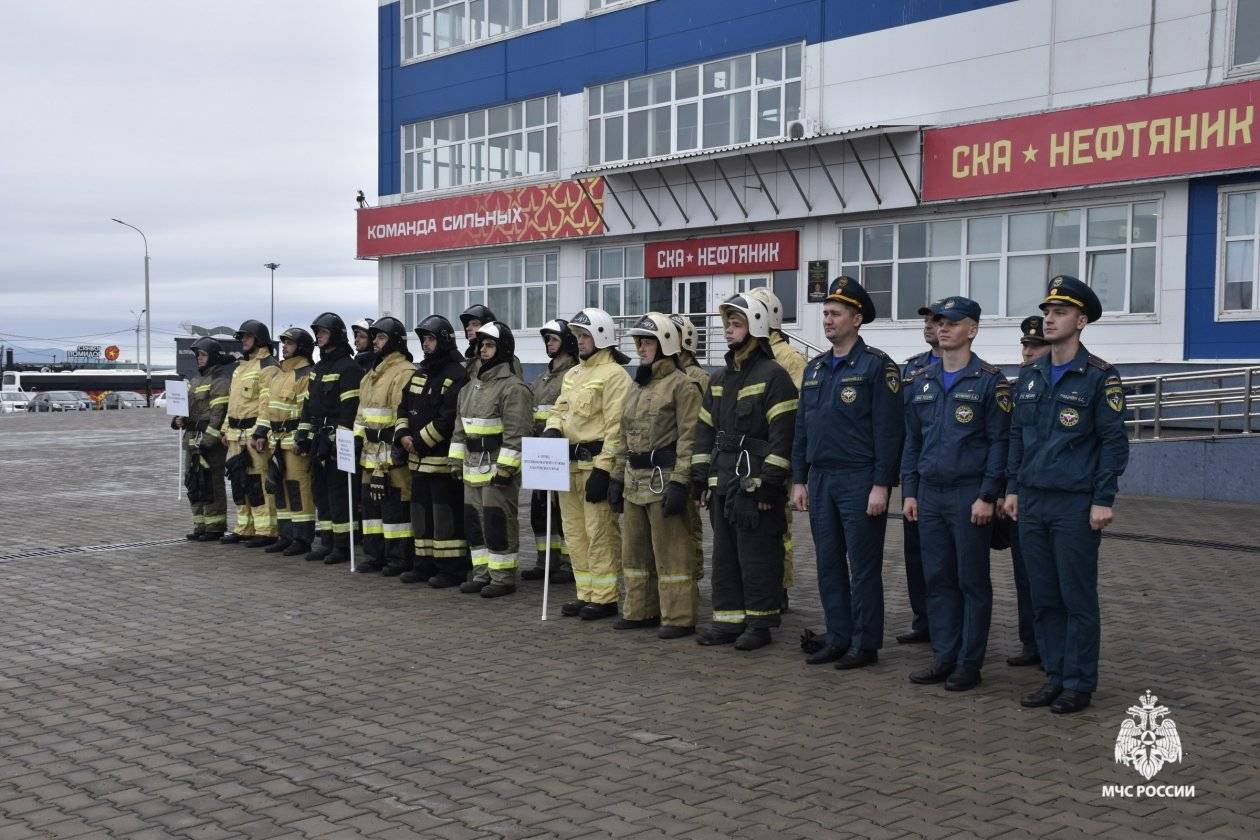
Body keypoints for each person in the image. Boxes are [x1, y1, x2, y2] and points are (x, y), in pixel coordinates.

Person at [1004, 276, 1129, 715]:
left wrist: (1103, 498)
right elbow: (1018, 434)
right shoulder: (1032, 373)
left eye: (1059, 313)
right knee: (1043, 594)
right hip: (1033, 500)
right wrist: (1013, 487)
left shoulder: (1099, 377)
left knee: (1076, 596)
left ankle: (1078, 681)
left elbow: (1113, 443)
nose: (1049, 319)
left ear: (1081, 321)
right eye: (1047, 312)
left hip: (1075, 502)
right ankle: (1054, 676)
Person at [790, 277, 902, 669]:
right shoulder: (817, 368)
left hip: (859, 479)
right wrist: (799, 478)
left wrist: (882, 485)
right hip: (821, 479)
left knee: (864, 565)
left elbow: (889, 432)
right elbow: (803, 427)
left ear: (857, 319)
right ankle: (838, 636)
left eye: (836, 313)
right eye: (824, 313)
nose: (827, 320)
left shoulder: (877, 367)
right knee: (828, 562)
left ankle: (865, 643)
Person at [901, 297, 1010, 692]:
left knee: (971, 580)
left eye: (951, 322)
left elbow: (1000, 443)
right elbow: (912, 442)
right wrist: (910, 492)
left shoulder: (989, 381)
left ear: (972, 329)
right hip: (929, 495)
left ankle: (969, 662)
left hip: (968, 495)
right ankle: (944, 656)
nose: (942, 327)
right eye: (938, 321)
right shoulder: (920, 381)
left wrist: (988, 494)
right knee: (938, 578)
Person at [692, 294, 798, 651]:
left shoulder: (775, 376)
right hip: (724, 481)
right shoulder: (720, 377)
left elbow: (783, 436)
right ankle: (728, 620)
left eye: (736, 324)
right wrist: (701, 478)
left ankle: (760, 623)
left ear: (754, 327)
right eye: (727, 325)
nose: (728, 331)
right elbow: (705, 431)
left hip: (754, 484)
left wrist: (771, 486)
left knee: (757, 556)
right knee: (725, 555)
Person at [614, 313, 702, 639]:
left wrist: (681, 482)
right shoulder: (637, 385)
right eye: (638, 341)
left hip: (664, 479)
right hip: (634, 480)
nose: (640, 347)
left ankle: (678, 617)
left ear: (666, 342)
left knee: (673, 553)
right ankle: (640, 611)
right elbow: (623, 433)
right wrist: (615, 477)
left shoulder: (684, 386)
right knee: (634, 553)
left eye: (647, 341)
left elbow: (690, 439)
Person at [543, 308, 632, 621]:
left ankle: (605, 598)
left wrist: (604, 470)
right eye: (578, 336)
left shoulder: (615, 376)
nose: (579, 342)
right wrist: (552, 428)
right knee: (575, 534)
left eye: (585, 336)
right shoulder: (573, 374)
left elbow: (616, 428)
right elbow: (559, 410)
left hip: (594, 465)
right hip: (568, 466)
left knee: (600, 534)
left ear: (602, 336)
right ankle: (586, 593)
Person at [447, 322, 533, 597]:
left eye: (490, 345)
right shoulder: (470, 387)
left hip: (497, 468)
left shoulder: (513, 388)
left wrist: (506, 469)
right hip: (472, 466)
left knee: (498, 522)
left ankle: (502, 577)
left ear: (503, 349)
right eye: (481, 345)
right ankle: (482, 573)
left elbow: (516, 433)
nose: (483, 351)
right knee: (474, 522)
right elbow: (460, 429)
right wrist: (455, 462)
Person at [395, 315, 471, 588]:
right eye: (424, 340)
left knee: (444, 518)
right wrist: (403, 435)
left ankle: (451, 569)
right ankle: (423, 564)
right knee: (421, 515)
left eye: (430, 339)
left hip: (441, 463)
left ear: (444, 341)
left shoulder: (457, 374)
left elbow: (449, 417)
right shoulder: (421, 372)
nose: (426, 345)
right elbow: (403, 407)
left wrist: (418, 441)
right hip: (418, 462)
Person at [744, 285, 806, 611]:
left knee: (777, 526)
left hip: (772, 459)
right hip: (746, 460)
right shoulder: (746, 356)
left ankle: (778, 586)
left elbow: (794, 416)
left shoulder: (790, 360)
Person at [1002, 315, 1050, 667]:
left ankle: (1053, 650)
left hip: (1059, 494)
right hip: (1023, 494)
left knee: (1054, 580)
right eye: (1025, 345)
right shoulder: (1020, 387)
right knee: (1025, 574)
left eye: (1036, 345)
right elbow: (1011, 440)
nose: (1028, 351)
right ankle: (1031, 642)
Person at [352, 316, 416, 574]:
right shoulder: (370, 376)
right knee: (371, 509)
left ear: (395, 342)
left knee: (395, 508)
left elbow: (401, 415)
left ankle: (398, 558)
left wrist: (396, 451)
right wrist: (357, 440)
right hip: (369, 455)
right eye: (375, 337)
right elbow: (361, 415)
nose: (375, 342)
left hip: (392, 457)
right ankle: (374, 554)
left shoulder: (404, 373)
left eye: (380, 337)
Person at [299, 313, 364, 565]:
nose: (319, 336)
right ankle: (326, 541)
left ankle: (342, 545)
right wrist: (302, 435)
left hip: (339, 442)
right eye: (317, 333)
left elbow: (350, 411)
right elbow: (308, 406)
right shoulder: (318, 368)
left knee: (340, 494)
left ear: (336, 334)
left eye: (323, 332)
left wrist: (340, 441)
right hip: (318, 440)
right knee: (321, 492)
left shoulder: (349, 368)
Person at [251, 327, 318, 557]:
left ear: (301, 347)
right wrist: (260, 432)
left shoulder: (305, 374)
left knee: (299, 491)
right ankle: (286, 535)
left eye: (289, 343)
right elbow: (266, 408)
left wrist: (303, 439)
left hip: (294, 444)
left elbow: (307, 412)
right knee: (280, 490)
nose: (285, 347)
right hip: (276, 442)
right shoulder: (278, 374)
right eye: (284, 343)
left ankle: (302, 538)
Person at [896, 309, 941, 645]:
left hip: (950, 478)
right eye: (925, 320)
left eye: (937, 320)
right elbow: (904, 426)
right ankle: (923, 619)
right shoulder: (912, 368)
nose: (928, 325)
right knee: (915, 553)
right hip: (917, 476)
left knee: (947, 561)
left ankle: (948, 625)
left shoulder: (977, 371)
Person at [521, 319, 578, 584]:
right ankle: (545, 560)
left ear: (567, 341)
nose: (548, 344)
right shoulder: (544, 377)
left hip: (563, 454)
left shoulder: (574, 373)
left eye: (553, 339)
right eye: (547, 339)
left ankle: (568, 562)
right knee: (540, 511)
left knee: (564, 513)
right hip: (541, 454)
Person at [220, 319, 281, 547]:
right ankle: (244, 527)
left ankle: (266, 531)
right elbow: (233, 404)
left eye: (247, 337)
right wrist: (225, 429)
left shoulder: (268, 366)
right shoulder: (240, 369)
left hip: (254, 436)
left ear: (259, 339)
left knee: (257, 483)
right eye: (241, 337)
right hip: (235, 435)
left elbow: (267, 404)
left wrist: (261, 433)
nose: (243, 341)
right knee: (239, 482)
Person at [176, 337, 233, 541]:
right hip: (192, 440)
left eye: (203, 355)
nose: (200, 359)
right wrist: (179, 419)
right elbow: (189, 410)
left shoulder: (220, 381)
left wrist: (208, 442)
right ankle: (200, 525)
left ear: (213, 357)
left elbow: (219, 414)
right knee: (193, 482)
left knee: (211, 483)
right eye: (198, 355)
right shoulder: (195, 381)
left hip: (209, 443)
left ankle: (215, 527)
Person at [670, 314, 708, 583]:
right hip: (663, 466)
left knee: (689, 526)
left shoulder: (696, 378)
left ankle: (691, 580)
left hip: (687, 462)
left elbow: (702, 427)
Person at [458, 304, 496, 373]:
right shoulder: (469, 358)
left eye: (474, 324)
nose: (468, 328)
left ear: (487, 326)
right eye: (468, 324)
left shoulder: (502, 358)